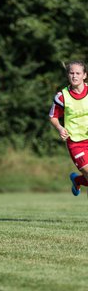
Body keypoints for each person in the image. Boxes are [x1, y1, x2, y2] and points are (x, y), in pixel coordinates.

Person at [49, 60, 88, 196]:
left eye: (78, 73)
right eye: (72, 73)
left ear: (84, 75)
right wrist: (60, 128)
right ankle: (78, 179)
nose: (74, 76)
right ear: (68, 75)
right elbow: (53, 117)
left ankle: (77, 180)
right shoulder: (61, 97)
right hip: (76, 142)